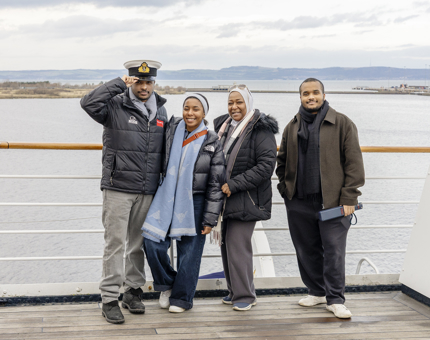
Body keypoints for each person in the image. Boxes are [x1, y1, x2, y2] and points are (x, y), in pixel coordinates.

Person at [80, 60, 167, 324]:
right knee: (115, 244)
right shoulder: (114, 106)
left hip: (148, 189)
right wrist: (118, 84)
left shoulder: (161, 112)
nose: (144, 86)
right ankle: (108, 299)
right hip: (118, 187)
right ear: (130, 81)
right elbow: (87, 103)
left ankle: (132, 291)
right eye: (138, 81)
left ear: (154, 83)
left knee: (137, 245)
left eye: (148, 81)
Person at [276, 78, 365, 319]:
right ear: (301, 97)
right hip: (299, 201)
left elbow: (354, 165)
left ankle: (335, 299)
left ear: (323, 95)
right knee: (306, 249)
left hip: (334, 202)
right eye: (306, 93)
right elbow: (281, 162)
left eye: (315, 92)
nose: (310, 97)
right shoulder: (292, 126)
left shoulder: (342, 123)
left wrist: (349, 197)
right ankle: (316, 291)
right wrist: (286, 191)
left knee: (334, 251)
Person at [142, 93, 225, 313]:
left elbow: (216, 182)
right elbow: (152, 108)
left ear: (204, 113)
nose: (190, 113)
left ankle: (182, 299)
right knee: (151, 241)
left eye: (195, 109)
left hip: (195, 201)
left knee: (190, 253)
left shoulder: (212, 140)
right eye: (186, 108)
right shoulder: (172, 130)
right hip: (166, 195)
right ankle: (167, 284)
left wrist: (210, 217)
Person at [213, 85, 278, 311]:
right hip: (225, 197)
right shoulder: (224, 127)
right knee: (226, 245)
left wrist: (234, 184)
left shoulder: (261, 129)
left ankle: (245, 295)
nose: (234, 107)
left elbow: (266, 166)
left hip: (247, 196)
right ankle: (234, 291)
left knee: (237, 245)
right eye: (231, 102)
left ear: (248, 102)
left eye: (239, 102)